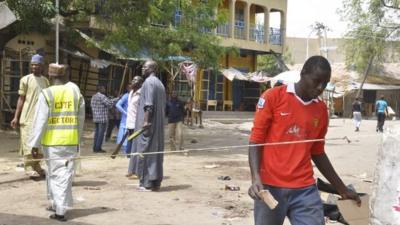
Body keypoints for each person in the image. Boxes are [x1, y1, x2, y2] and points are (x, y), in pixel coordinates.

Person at [248, 56, 361, 225]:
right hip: (270, 186)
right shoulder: (273, 97)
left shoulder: (321, 110)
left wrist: (342, 189)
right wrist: (256, 178)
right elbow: (256, 141)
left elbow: (317, 152)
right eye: (316, 81)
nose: (320, 87)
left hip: (304, 189)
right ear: (303, 73)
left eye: (325, 83)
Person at [29, 63, 85, 222]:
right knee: (61, 175)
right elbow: (80, 119)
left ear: (51, 76)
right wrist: (77, 140)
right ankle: (55, 203)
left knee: (56, 175)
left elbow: (40, 121)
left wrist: (35, 144)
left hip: (51, 143)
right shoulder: (75, 92)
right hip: (70, 141)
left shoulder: (46, 94)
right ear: (66, 75)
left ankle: (60, 210)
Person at [11, 54, 49, 176]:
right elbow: (21, 99)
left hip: (41, 118)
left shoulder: (45, 81)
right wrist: (16, 117)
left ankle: (37, 165)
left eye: (37, 65)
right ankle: (28, 167)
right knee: (28, 143)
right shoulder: (25, 79)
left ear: (42, 66)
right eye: (32, 64)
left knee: (39, 143)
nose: (34, 67)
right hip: (27, 117)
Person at [132, 60, 166, 191]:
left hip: (149, 125)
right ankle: (155, 183)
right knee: (156, 153)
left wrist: (145, 121)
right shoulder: (160, 83)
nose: (142, 69)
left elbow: (149, 104)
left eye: (145, 67)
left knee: (145, 152)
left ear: (152, 68)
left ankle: (146, 183)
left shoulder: (149, 82)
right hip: (157, 125)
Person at [127, 76, 143, 178]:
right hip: (130, 124)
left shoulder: (142, 94)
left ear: (141, 83)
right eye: (132, 79)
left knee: (138, 149)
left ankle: (138, 171)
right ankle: (131, 170)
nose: (132, 81)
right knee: (132, 149)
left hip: (138, 125)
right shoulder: (131, 93)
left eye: (135, 80)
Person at [90, 85, 113, 153]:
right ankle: (98, 148)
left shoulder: (93, 96)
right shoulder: (102, 96)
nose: (105, 89)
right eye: (103, 88)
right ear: (100, 89)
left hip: (96, 118)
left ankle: (95, 148)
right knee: (101, 134)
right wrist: (117, 99)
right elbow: (109, 104)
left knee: (97, 134)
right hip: (102, 119)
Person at [116, 84, 132, 154]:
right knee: (125, 134)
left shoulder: (134, 96)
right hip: (125, 119)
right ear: (128, 89)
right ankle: (125, 150)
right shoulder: (126, 96)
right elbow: (117, 105)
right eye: (130, 88)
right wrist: (125, 113)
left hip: (131, 119)